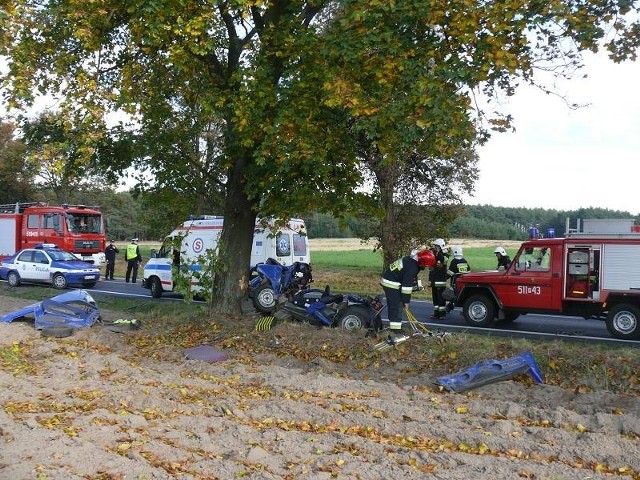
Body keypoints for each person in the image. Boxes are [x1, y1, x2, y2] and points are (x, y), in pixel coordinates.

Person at [380, 248, 436, 331]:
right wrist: (406, 301)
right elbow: (406, 287)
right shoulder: (412, 268)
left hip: (391, 279)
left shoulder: (410, 260)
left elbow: (405, 277)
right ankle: (395, 330)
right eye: (426, 266)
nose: (425, 268)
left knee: (396, 304)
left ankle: (395, 327)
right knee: (396, 305)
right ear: (423, 262)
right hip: (391, 283)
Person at [445, 245, 470, 312]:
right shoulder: (464, 261)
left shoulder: (454, 261)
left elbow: (450, 272)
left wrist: (444, 278)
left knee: (453, 295)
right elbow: (469, 271)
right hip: (464, 282)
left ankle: (450, 306)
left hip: (455, 282)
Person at [429, 238, 449, 320]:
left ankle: (442, 314)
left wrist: (437, 255)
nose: (435, 247)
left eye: (436, 246)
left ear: (440, 246)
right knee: (435, 299)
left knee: (441, 299)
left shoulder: (445, 255)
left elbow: (441, 264)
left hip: (440, 281)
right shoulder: (435, 253)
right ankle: (436, 314)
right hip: (434, 281)